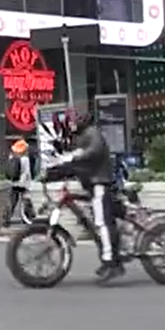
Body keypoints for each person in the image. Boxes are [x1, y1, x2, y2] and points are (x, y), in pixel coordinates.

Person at [52, 111, 123, 283]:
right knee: (101, 220)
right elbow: (75, 154)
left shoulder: (92, 133)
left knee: (102, 222)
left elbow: (93, 151)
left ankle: (110, 260)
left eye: (74, 122)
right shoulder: (82, 136)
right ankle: (112, 252)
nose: (72, 125)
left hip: (100, 182)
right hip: (91, 182)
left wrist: (73, 156)